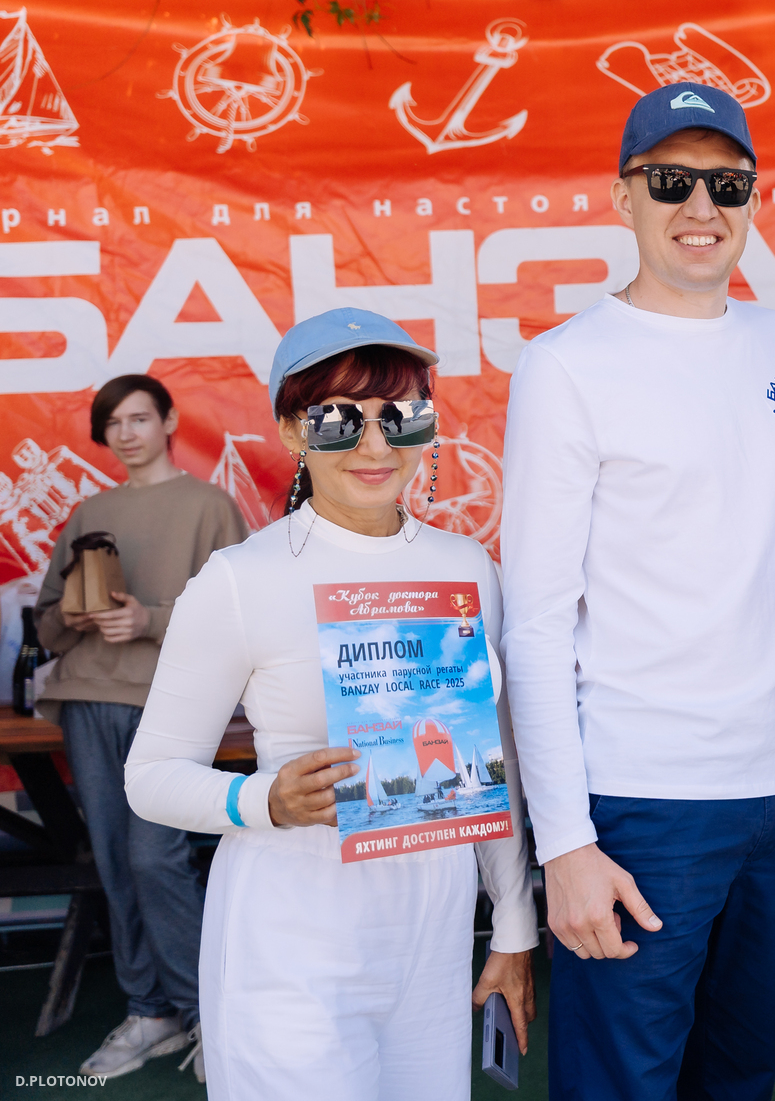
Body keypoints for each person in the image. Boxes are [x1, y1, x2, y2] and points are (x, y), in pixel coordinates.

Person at [501, 82, 775, 1100]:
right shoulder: (565, 366)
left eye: (726, 184)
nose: (700, 207)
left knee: (738, 1080)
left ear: (754, 200)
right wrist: (565, 842)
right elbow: (535, 624)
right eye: (672, 180)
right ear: (623, 196)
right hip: (643, 801)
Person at [124, 310, 536, 1098]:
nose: (375, 446)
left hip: (433, 935)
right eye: (339, 419)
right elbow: (150, 777)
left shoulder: (468, 568)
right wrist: (263, 800)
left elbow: (497, 767)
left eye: (401, 416)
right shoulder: (241, 578)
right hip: (291, 939)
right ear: (291, 430)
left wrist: (514, 927)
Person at [32, 374, 249, 1080]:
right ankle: (149, 1010)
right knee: (116, 861)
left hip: (171, 702)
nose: (125, 433)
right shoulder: (89, 511)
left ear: (169, 422)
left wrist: (147, 619)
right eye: (112, 423)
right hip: (87, 696)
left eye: (138, 418)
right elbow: (47, 624)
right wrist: (75, 615)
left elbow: (240, 615)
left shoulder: (210, 506)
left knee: (156, 857)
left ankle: (207, 1013)